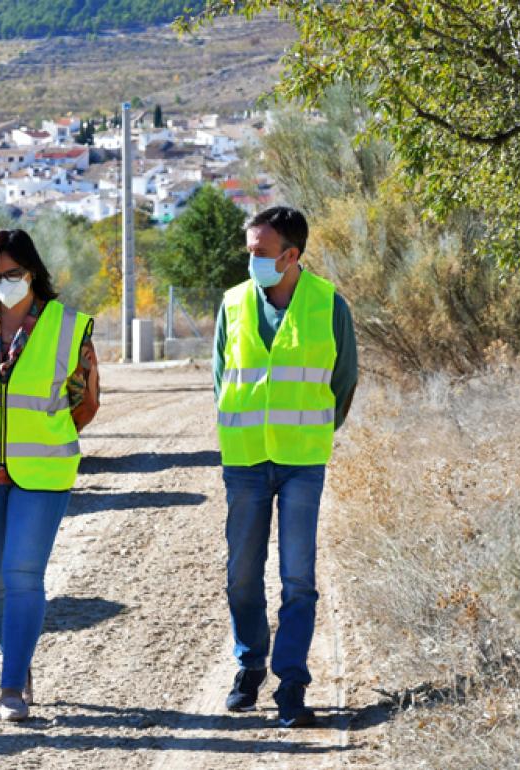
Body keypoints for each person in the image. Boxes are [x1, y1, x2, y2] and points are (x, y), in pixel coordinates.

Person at [0, 229, 99, 721]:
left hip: (43, 470)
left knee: (23, 574)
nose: (5, 282)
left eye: (14, 273)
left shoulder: (71, 326)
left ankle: (10, 687)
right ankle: (20, 657)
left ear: (34, 272)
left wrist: (45, 436)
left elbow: (86, 401)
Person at [214, 206, 358, 728]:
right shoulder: (232, 304)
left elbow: (344, 380)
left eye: (260, 253)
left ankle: (291, 682)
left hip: (302, 462)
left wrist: (315, 431)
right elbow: (220, 377)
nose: (251, 261)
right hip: (246, 461)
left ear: (291, 255)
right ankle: (250, 666)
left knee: (298, 577)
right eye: (249, 251)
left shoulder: (328, 304)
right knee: (242, 576)